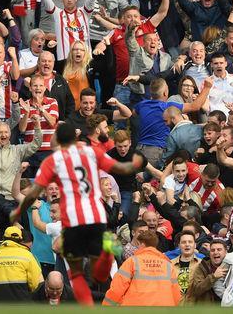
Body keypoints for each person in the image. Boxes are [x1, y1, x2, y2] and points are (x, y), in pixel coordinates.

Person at [11, 122, 147, 305]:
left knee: (72, 265)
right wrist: (136, 163)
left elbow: (35, 190)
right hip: (96, 214)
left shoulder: (54, 160)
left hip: (75, 216)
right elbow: (120, 168)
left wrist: (18, 211)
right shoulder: (92, 153)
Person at [102, 229, 182, 306]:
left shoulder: (132, 262)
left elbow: (117, 289)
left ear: (142, 244)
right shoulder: (168, 264)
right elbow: (176, 294)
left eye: (138, 244)